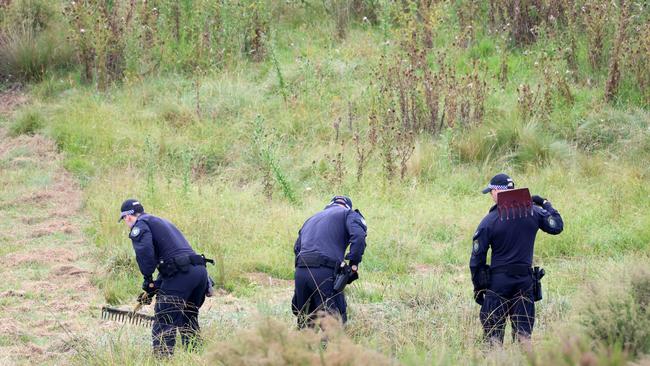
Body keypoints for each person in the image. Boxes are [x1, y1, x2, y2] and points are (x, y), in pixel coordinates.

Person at [470, 174, 563, 344]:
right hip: (524, 283)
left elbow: (477, 260)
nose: (491, 195)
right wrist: (545, 203)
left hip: (498, 285)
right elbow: (556, 226)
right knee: (523, 338)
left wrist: (479, 288)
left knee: (493, 339)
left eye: (491, 192)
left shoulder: (489, 221)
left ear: (497, 192)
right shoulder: (534, 212)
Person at [118, 199, 212, 356]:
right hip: (199, 272)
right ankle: (195, 357)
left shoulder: (140, 225)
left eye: (124, 220)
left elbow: (145, 252)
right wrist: (155, 285)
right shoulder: (161, 221)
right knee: (187, 318)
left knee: (164, 321)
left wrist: (147, 278)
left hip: (182, 274)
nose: (126, 223)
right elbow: (173, 261)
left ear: (127, 217)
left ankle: (163, 360)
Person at [292, 196, 367, 328]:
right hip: (324, 271)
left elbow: (297, 248)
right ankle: (331, 348)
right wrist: (353, 264)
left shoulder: (311, 218)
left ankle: (301, 348)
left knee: (305, 324)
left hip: (301, 271)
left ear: (329, 205)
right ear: (347, 206)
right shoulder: (349, 214)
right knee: (334, 325)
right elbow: (359, 236)